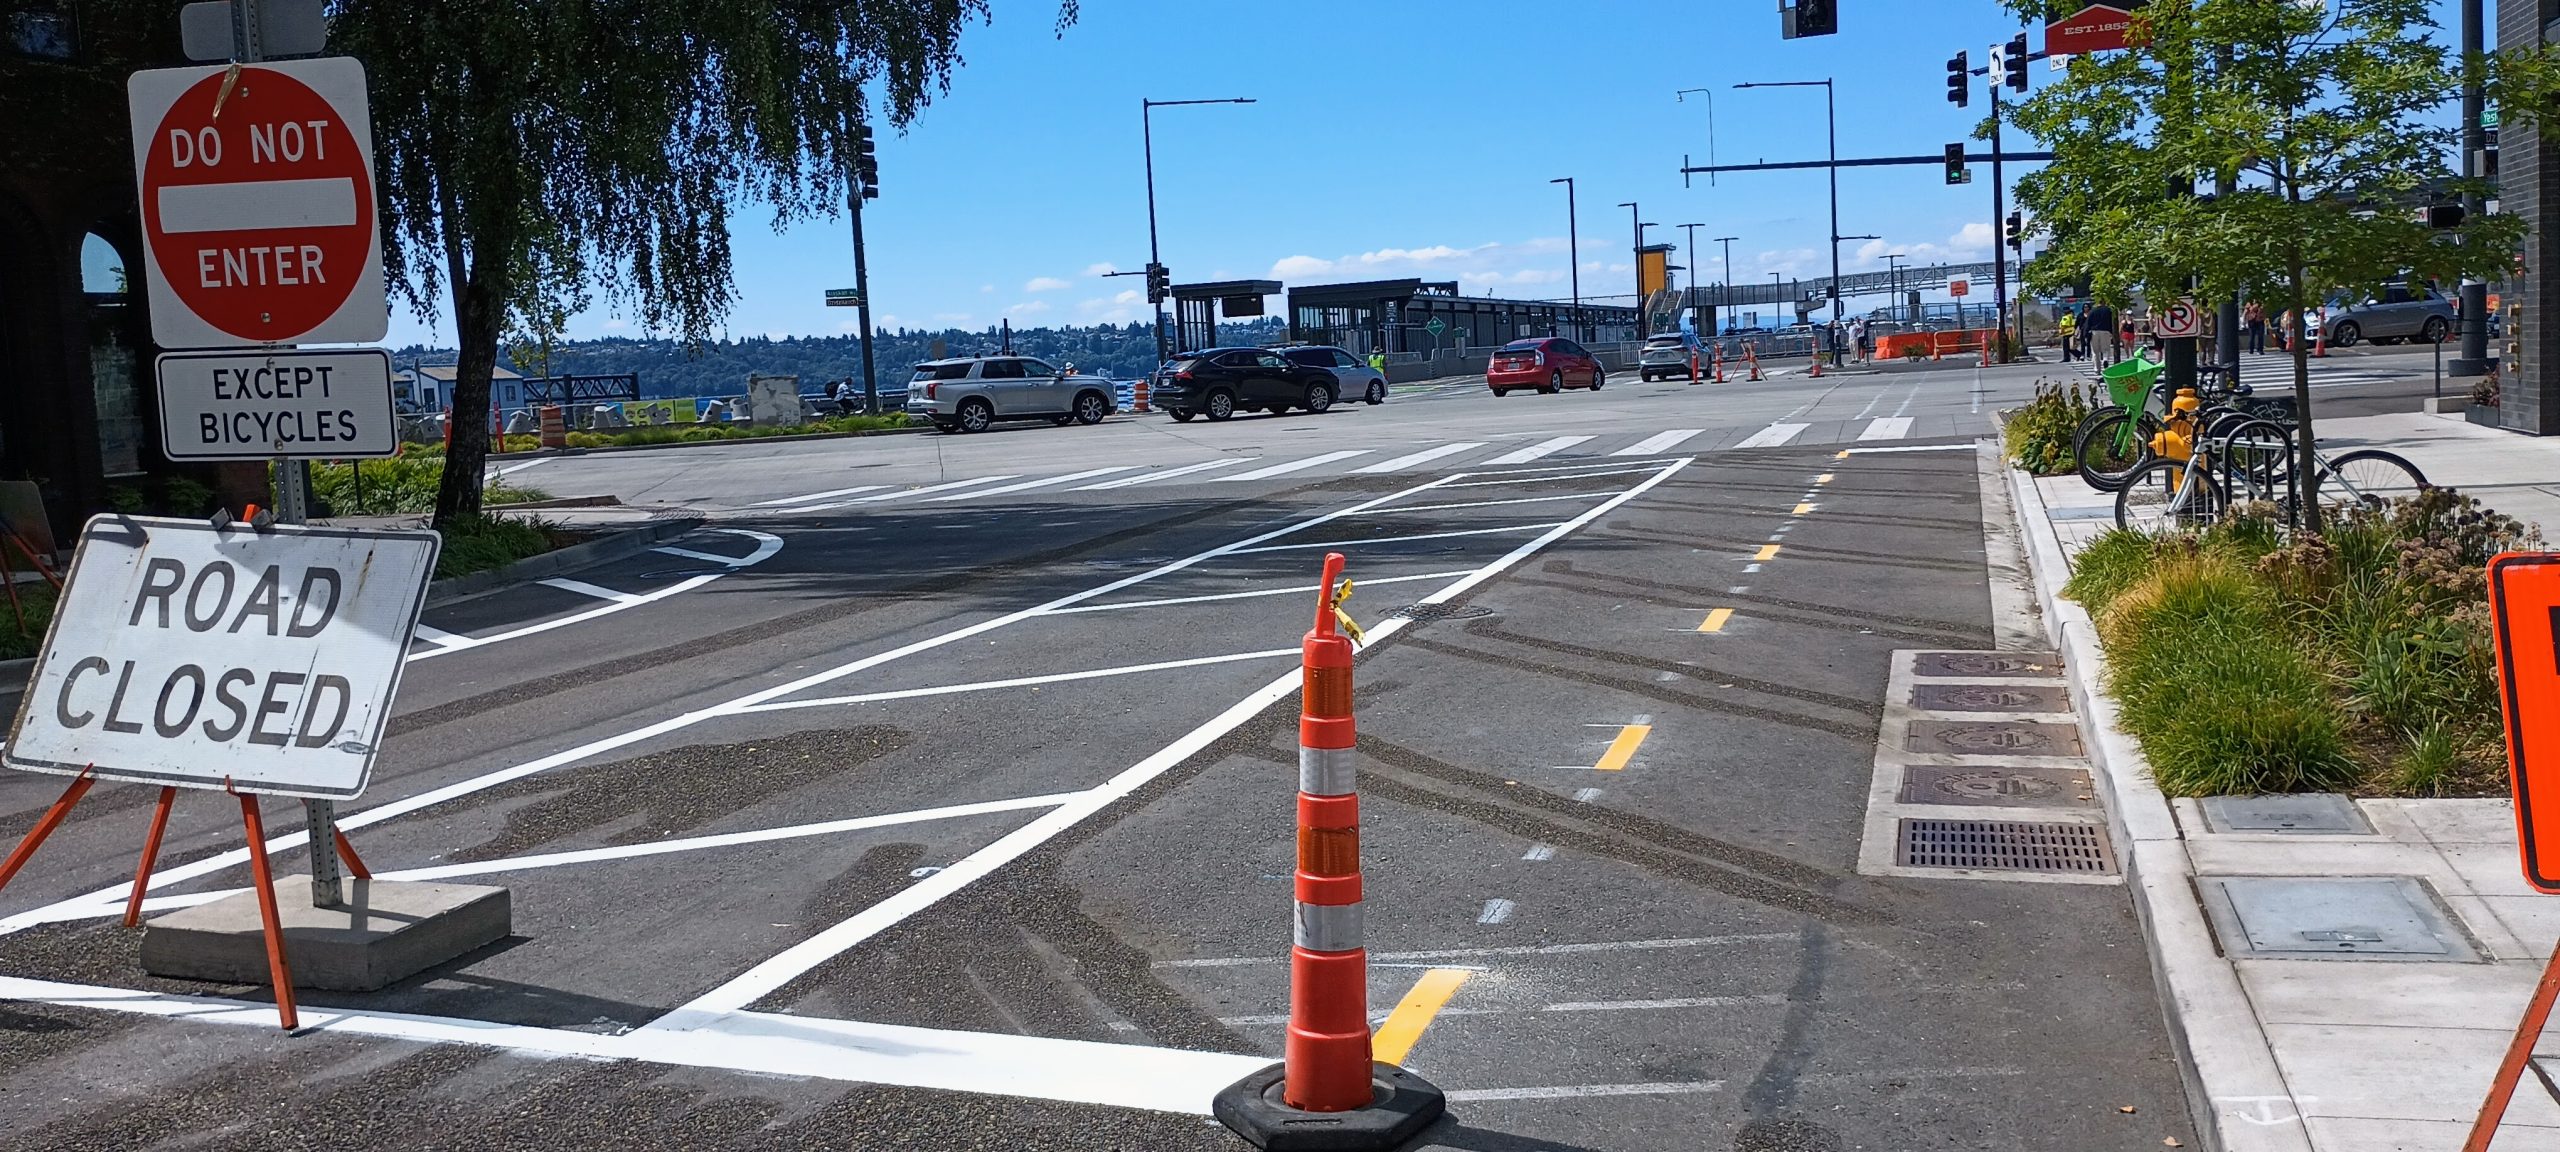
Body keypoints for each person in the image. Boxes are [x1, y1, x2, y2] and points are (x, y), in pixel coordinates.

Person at [2086, 301, 2118, 365]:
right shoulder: (2108, 310)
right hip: (2105, 331)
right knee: (2105, 349)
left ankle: (2097, 368)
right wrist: (2112, 332)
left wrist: (2086, 334)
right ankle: (2105, 359)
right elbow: (2111, 322)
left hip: (2094, 332)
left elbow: (2088, 323)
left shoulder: (2092, 311)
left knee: (2095, 351)